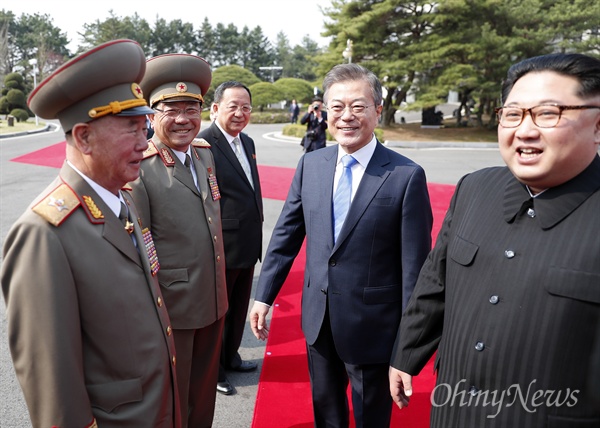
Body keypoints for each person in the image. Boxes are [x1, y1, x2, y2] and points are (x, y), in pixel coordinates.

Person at [390, 52, 600, 427]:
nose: (525, 130)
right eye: (514, 114)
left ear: (597, 125)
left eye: (548, 113)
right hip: (453, 412)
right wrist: (406, 353)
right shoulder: (475, 187)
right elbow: (435, 282)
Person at [1, 39, 180, 428]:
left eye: (144, 126)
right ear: (83, 137)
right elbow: (52, 384)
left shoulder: (122, 200)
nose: (144, 141)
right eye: (130, 128)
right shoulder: (44, 233)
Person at [249, 63, 433, 427]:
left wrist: (409, 346)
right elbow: (287, 234)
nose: (346, 116)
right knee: (326, 412)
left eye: (358, 106)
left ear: (378, 111)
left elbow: (415, 268)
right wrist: (264, 295)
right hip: (318, 320)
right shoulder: (311, 164)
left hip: (374, 327)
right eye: (337, 107)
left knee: (369, 417)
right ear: (325, 111)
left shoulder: (405, 176)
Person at [128, 53, 228, 428]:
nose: (184, 119)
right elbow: (139, 249)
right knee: (173, 400)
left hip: (212, 299)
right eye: (172, 110)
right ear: (152, 114)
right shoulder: (141, 167)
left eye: (192, 108)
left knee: (202, 398)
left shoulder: (203, 154)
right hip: (172, 308)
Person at [198, 81, 264, 396]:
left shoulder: (247, 141)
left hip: (248, 242)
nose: (240, 113)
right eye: (233, 106)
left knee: (238, 309)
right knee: (218, 314)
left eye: (246, 107)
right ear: (215, 109)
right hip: (222, 244)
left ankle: (232, 356)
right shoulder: (204, 144)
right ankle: (215, 372)